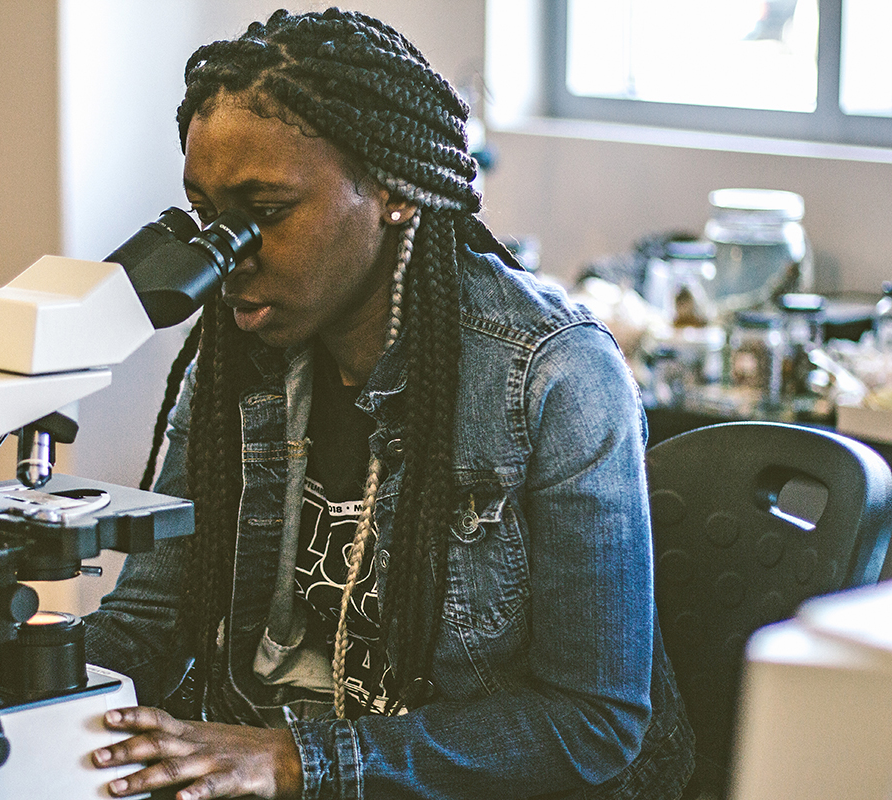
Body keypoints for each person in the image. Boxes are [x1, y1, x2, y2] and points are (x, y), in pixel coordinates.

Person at [81, 8, 694, 799]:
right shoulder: (237, 355)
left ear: (395, 193)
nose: (226, 256)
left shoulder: (552, 374)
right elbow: (147, 623)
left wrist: (298, 759)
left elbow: (592, 723)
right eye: (207, 215)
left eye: (264, 214)